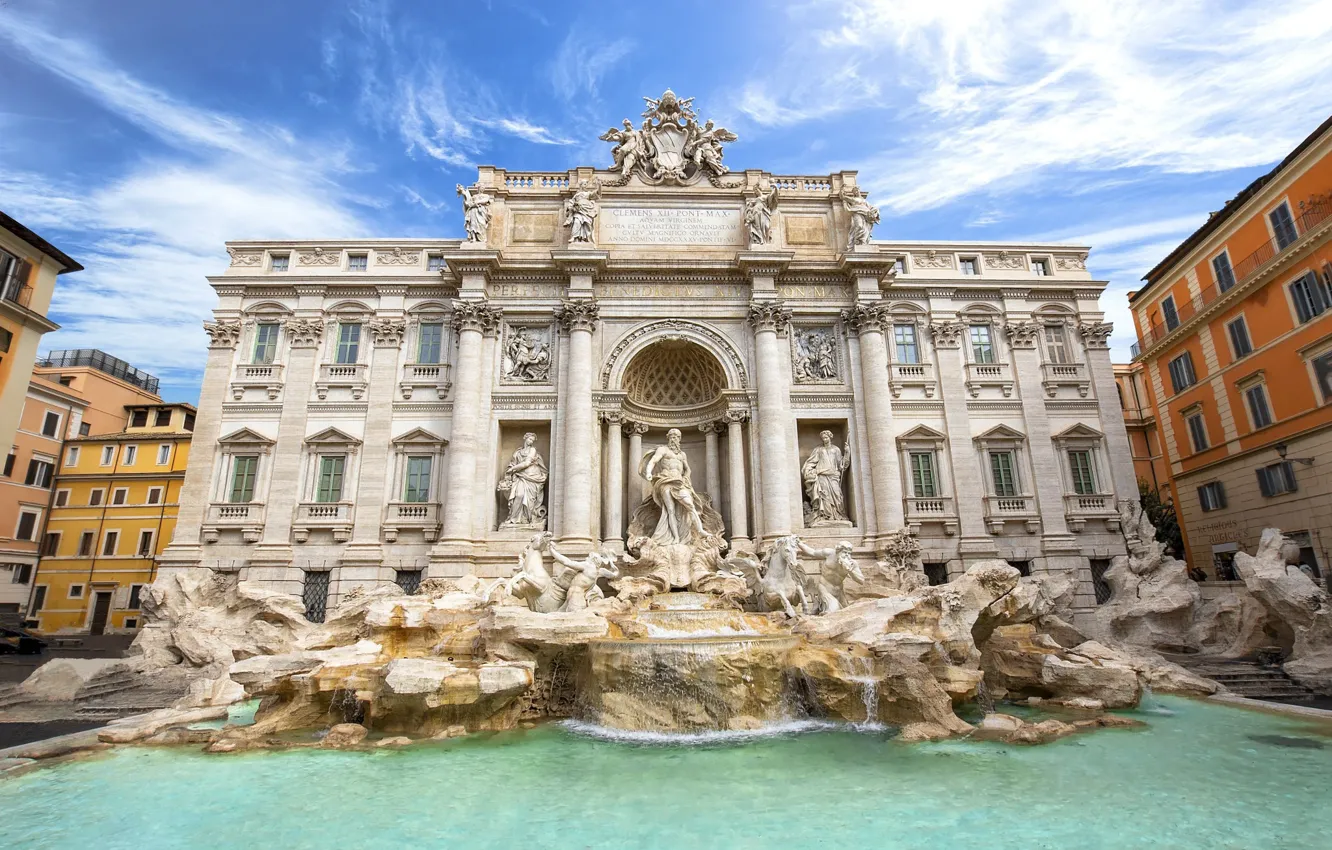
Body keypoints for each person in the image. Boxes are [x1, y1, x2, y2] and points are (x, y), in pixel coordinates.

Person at [641, 428, 707, 544]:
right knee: (670, 510)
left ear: (679, 439)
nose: (673, 439)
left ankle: (700, 530)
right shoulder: (663, 450)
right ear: (668, 438)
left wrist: (686, 478)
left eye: (676, 437)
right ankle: (676, 537)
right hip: (665, 480)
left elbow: (688, 469)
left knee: (690, 505)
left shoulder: (682, 455)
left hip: (679, 482)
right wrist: (648, 472)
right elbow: (654, 460)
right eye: (671, 436)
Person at [498, 433, 547, 527]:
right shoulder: (518, 452)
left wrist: (513, 469)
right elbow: (512, 464)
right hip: (520, 476)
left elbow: (527, 463)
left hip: (532, 477)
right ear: (525, 438)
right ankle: (513, 519)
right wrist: (510, 470)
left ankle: (526, 519)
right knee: (519, 495)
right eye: (530, 439)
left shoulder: (532, 450)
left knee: (529, 500)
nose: (531, 441)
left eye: (532, 440)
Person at [802, 430, 851, 524]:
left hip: (833, 476)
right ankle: (826, 516)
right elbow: (811, 462)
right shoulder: (818, 450)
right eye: (823, 438)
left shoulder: (836, 449)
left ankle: (838, 515)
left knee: (837, 495)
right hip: (822, 475)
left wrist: (847, 452)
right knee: (824, 496)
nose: (824, 439)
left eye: (826, 437)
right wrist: (808, 471)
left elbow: (841, 465)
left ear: (830, 437)